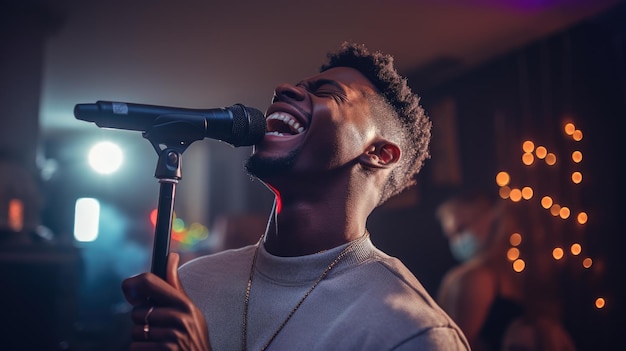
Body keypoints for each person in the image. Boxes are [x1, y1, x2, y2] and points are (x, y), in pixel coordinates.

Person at [122, 42, 470, 350]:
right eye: (297, 85)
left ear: (379, 153)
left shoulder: (411, 330)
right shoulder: (190, 285)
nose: (282, 88)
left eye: (327, 92)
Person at [435, 190, 525, 351]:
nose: (456, 240)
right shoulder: (474, 278)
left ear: (487, 219)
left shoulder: (488, 273)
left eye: (461, 229)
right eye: (451, 235)